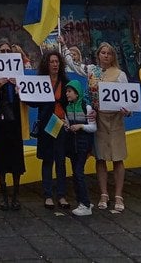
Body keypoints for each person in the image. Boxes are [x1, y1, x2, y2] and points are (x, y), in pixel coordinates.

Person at [87, 42, 130, 212]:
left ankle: (118, 194)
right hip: (99, 119)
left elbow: (128, 99)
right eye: (103, 52)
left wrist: (128, 111)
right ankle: (103, 193)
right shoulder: (92, 71)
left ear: (113, 56)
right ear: (98, 55)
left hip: (116, 120)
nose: (105, 55)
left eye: (109, 53)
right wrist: (64, 47)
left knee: (118, 157)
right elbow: (73, 66)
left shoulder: (120, 75)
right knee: (101, 157)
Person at [0, 39, 26, 211]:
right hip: (0, 122)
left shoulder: (19, 75)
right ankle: (4, 196)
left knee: (16, 158)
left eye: (7, 51)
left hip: (16, 121)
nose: (4, 54)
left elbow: (29, 96)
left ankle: (16, 196)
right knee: (0, 158)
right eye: (1, 51)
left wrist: (19, 88)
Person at [34, 50, 70, 210]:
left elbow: (70, 103)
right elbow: (34, 103)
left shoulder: (65, 81)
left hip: (61, 124)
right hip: (46, 125)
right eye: (52, 62)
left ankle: (62, 195)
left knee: (61, 161)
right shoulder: (40, 82)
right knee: (48, 160)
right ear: (46, 65)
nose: (55, 64)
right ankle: (48, 195)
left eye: (57, 62)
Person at [64, 79, 97, 216]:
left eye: (70, 91)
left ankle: (85, 203)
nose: (67, 94)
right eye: (67, 91)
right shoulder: (68, 107)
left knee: (78, 173)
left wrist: (81, 126)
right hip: (73, 144)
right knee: (75, 173)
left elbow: (93, 127)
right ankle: (81, 201)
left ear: (77, 93)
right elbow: (67, 122)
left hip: (83, 144)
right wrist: (66, 126)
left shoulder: (86, 107)